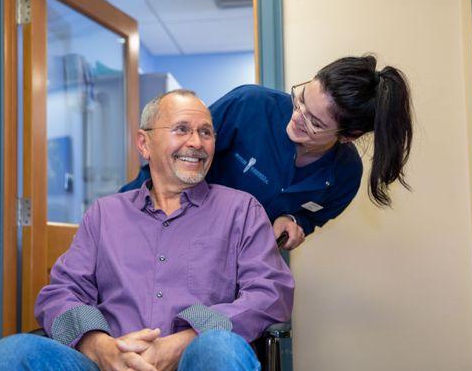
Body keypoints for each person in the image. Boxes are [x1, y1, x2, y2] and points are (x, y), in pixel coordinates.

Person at [0, 90, 294, 371]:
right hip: (107, 369)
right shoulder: (104, 214)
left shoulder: (241, 210)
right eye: (182, 129)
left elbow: (270, 293)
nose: (196, 142)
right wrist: (101, 347)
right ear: (144, 144)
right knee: (7, 358)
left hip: (195, 364)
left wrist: (184, 341)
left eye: (206, 132)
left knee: (220, 348)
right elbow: (60, 293)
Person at [121, 55, 413, 250]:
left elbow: (313, 217)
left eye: (314, 122)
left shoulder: (345, 175)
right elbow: (165, 162)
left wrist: (296, 222)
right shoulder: (250, 105)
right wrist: (119, 217)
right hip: (166, 232)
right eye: (300, 99)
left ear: (348, 136)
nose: (297, 116)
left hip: (233, 266)